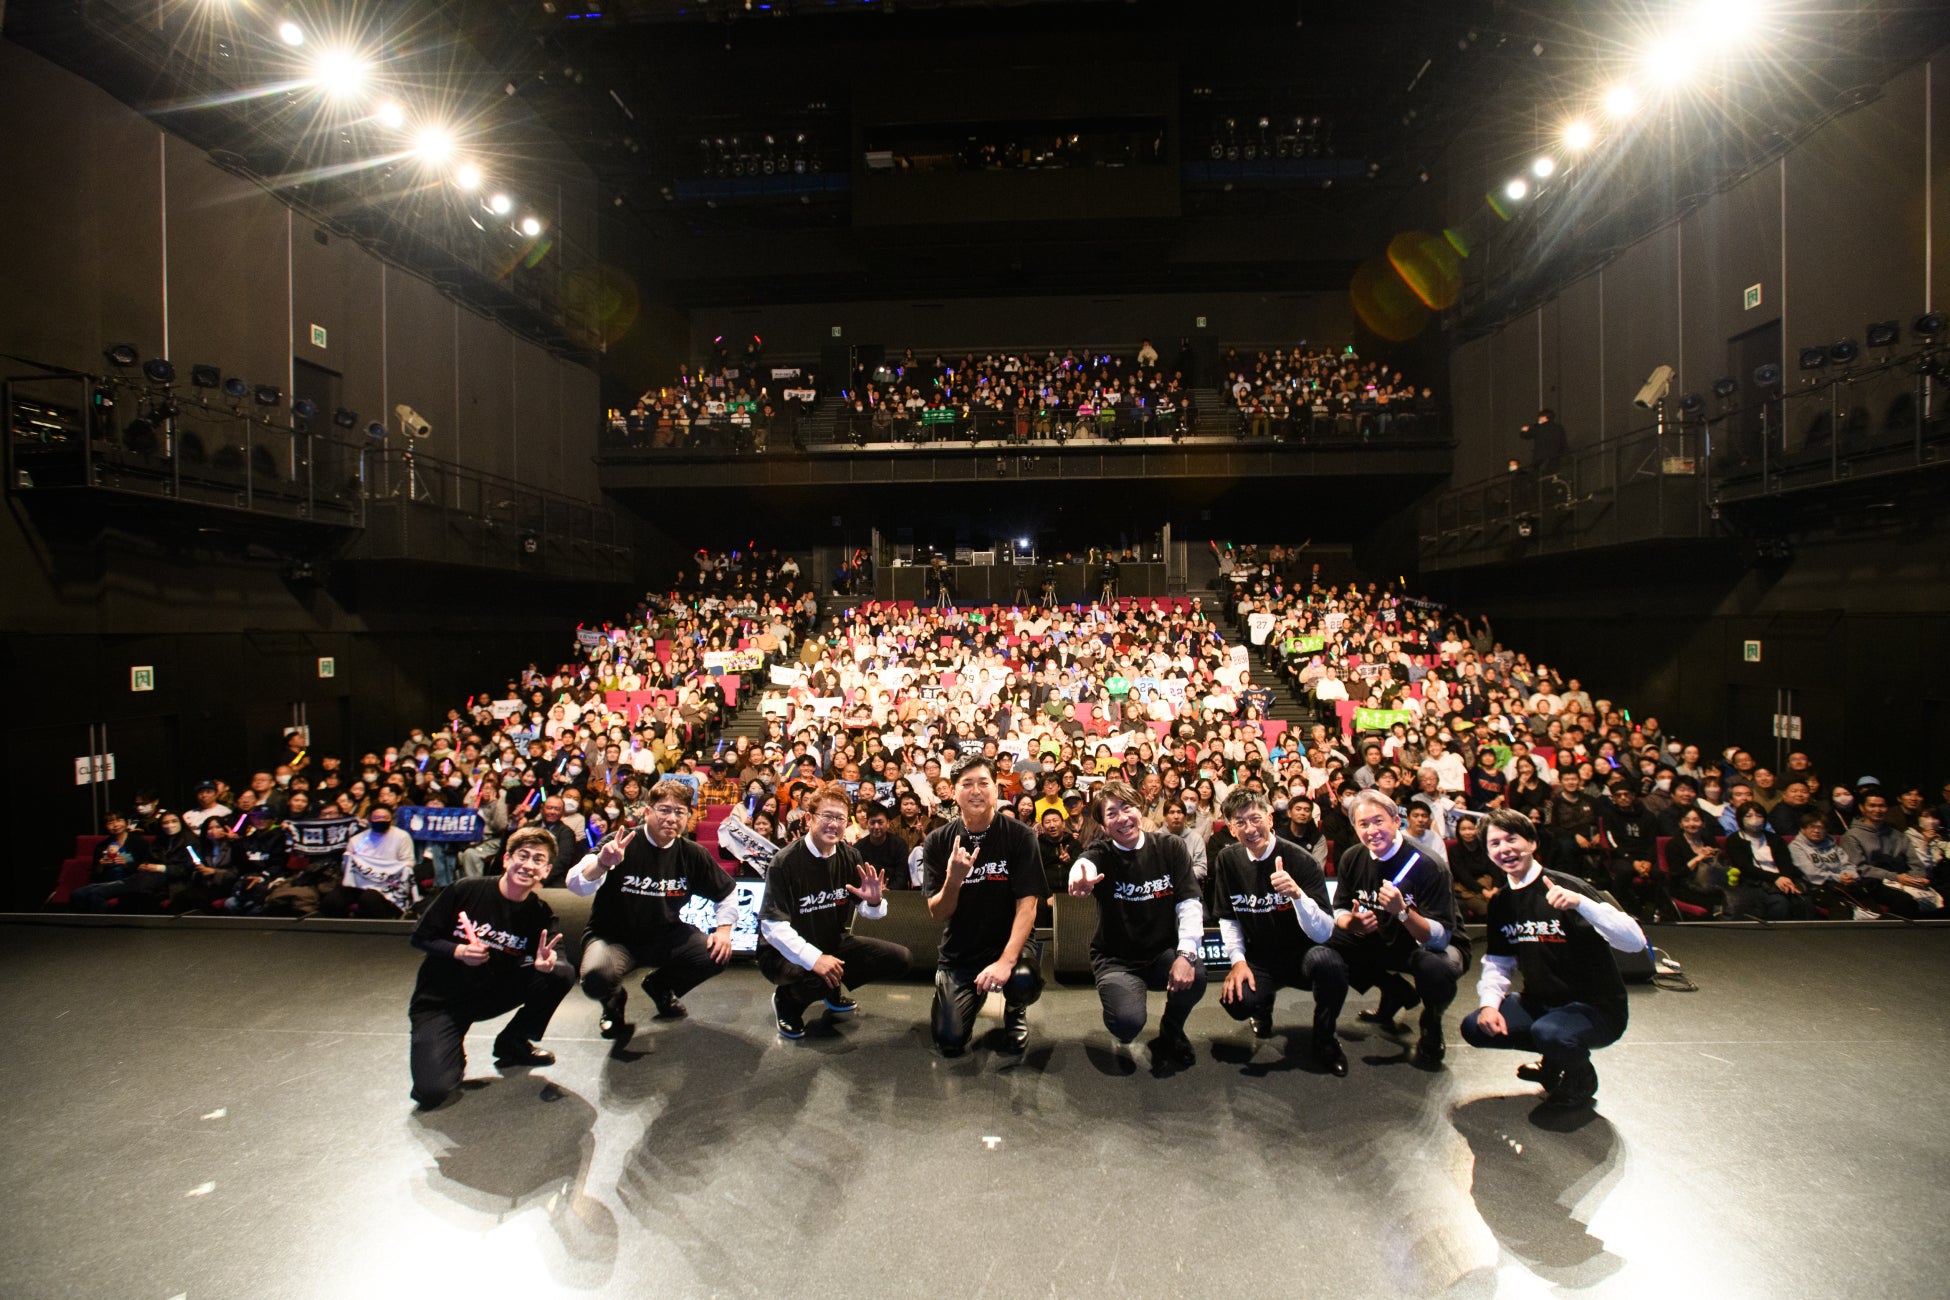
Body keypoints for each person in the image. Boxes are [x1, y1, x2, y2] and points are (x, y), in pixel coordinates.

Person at [1461, 810, 1646, 1110]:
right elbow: (1498, 961)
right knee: (1474, 1027)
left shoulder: (1568, 888)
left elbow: (1634, 942)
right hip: (1541, 1003)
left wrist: (1582, 904)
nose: (1504, 849)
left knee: (1549, 1032)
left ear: (1532, 843)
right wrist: (1489, 1005)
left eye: (1512, 839)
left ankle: (1581, 1077)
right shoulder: (1502, 902)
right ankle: (1555, 1056)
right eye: (1495, 843)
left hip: (1596, 1008)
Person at [405, 825, 574, 1109]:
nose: (528, 865)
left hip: (490, 992)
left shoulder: (539, 913)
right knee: (433, 1091)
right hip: (440, 1001)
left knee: (561, 975)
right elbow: (421, 937)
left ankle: (513, 1042)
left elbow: (558, 959)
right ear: (506, 859)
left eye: (538, 860)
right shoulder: (465, 890)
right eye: (523, 856)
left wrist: (548, 964)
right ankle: (450, 1050)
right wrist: (459, 951)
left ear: (546, 871)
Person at [566, 781, 737, 1048]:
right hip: (614, 937)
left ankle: (660, 986)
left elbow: (727, 892)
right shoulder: (620, 842)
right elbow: (575, 884)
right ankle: (613, 1002)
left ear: (688, 817)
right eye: (664, 810)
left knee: (715, 954)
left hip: (665, 935)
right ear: (647, 812)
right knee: (596, 978)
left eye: (679, 812)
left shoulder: (693, 854)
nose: (672, 818)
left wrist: (724, 931)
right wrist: (601, 864)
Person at [1067, 779, 1206, 1070]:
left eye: (1127, 808)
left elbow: (1189, 903)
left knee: (1196, 974)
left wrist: (1186, 954)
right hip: (1116, 958)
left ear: (1139, 809)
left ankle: (1172, 1028)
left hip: (1161, 952)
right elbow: (1085, 863)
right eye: (1111, 813)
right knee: (1126, 1025)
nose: (1122, 818)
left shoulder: (1170, 847)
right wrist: (1078, 876)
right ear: (1104, 824)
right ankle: (1127, 998)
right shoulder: (1102, 852)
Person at [1211, 789, 1347, 1076]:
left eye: (1255, 819)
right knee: (1237, 1001)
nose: (1250, 829)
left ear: (1270, 819)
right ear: (1231, 829)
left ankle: (1325, 1038)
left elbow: (1324, 932)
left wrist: (1297, 896)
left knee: (1331, 965)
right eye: (1240, 822)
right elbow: (1228, 917)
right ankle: (1262, 1008)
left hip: (1304, 953)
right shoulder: (1227, 859)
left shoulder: (1301, 860)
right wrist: (1238, 961)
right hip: (1260, 955)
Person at [1329, 790, 1468, 1069]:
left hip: (1428, 946)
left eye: (1378, 821)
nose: (1372, 831)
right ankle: (1395, 991)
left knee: (1435, 968)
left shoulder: (1428, 864)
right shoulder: (1352, 858)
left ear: (1396, 821)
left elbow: (1440, 938)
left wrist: (1403, 912)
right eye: (1363, 824)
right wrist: (1351, 923)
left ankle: (1432, 1020)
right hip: (1382, 938)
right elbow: (1339, 908)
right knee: (1328, 942)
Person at [758, 785, 911, 1039]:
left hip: (831, 942)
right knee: (816, 975)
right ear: (809, 819)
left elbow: (869, 912)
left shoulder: (850, 856)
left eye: (840, 818)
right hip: (780, 953)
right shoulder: (785, 862)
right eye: (826, 816)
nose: (834, 824)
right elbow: (772, 927)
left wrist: (874, 902)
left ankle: (830, 987)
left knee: (900, 959)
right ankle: (787, 1001)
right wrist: (815, 958)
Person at [921, 756, 1047, 1056]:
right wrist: (954, 879)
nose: (976, 791)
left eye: (983, 783)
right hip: (961, 947)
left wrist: (1005, 962)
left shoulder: (1020, 836)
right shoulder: (938, 841)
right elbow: (938, 913)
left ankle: (1014, 1008)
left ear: (996, 789)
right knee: (949, 1041)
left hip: (1009, 941)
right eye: (967, 784)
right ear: (954, 792)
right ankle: (960, 990)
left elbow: (1028, 907)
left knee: (1023, 980)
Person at [328, 805, 418, 918]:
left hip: (388, 884)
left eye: (385, 818)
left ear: (391, 819)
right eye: (377, 817)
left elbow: (408, 863)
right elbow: (347, 866)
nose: (381, 820)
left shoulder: (402, 837)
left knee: (369, 898)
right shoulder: (357, 840)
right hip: (360, 884)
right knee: (333, 900)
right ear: (370, 819)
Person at [69, 811, 161, 911]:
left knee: (95, 894)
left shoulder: (139, 843)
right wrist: (101, 865)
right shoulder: (102, 846)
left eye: (119, 820)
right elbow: (95, 873)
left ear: (126, 823)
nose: (115, 825)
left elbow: (147, 868)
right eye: (110, 823)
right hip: (106, 882)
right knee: (76, 894)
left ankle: (104, 919)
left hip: (130, 881)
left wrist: (126, 864)